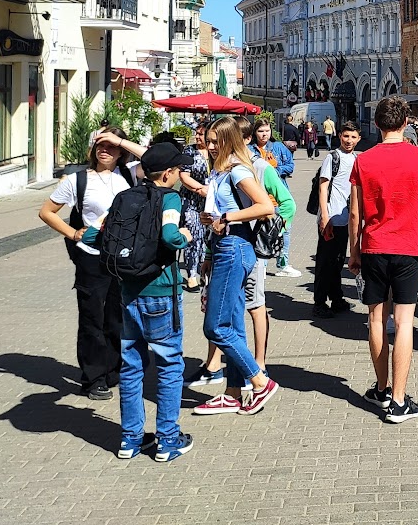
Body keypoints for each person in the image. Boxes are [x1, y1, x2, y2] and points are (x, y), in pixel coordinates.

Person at [80, 142, 193, 462]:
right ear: (167, 174)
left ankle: (129, 440)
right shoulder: (170, 198)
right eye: (178, 170)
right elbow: (170, 235)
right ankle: (167, 440)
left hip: (128, 293)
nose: (179, 174)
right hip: (161, 291)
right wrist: (186, 236)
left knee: (131, 366)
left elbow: (91, 236)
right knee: (170, 365)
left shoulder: (123, 197)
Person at [348, 96, 418, 422]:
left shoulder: (363, 160)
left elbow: (355, 213)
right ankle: (399, 401)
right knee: (403, 322)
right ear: (405, 123)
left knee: (376, 320)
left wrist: (354, 251)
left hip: (374, 246)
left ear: (376, 124)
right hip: (408, 248)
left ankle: (381, 389)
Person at [39, 127, 142, 400]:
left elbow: (156, 160)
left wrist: (120, 140)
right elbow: (46, 212)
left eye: (110, 146)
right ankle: (93, 378)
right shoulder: (78, 180)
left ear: (120, 151)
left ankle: (113, 370)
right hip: (91, 257)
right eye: (99, 145)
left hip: (122, 257)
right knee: (92, 317)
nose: (104, 150)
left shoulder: (130, 174)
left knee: (117, 317)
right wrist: (73, 233)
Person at [189, 116, 280, 417]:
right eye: (208, 141)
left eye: (216, 141)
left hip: (234, 247)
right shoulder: (219, 170)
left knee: (215, 326)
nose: (210, 146)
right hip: (223, 246)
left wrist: (228, 218)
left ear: (230, 141)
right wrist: (211, 226)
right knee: (233, 325)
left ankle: (260, 381)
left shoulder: (237, 169)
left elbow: (265, 206)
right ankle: (232, 393)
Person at [315, 120, 360, 317]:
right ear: (339, 136)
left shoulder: (356, 159)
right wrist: (324, 216)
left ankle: (336, 298)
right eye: (346, 136)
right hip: (331, 218)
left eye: (353, 137)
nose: (349, 140)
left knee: (338, 260)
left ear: (358, 139)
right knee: (325, 261)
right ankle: (319, 303)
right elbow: (323, 186)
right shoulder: (332, 157)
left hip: (345, 219)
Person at [249, 119, 298, 276]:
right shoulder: (250, 149)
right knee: (261, 232)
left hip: (278, 198)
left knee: (283, 231)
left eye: (267, 131)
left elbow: (290, 165)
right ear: (254, 133)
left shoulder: (278, 147)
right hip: (259, 199)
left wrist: (274, 170)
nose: (264, 134)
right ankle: (260, 264)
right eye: (261, 131)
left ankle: (283, 264)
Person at [177, 125, 211, 292]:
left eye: (201, 134)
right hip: (192, 201)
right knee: (194, 237)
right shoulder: (189, 151)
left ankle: (203, 270)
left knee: (206, 238)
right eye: (196, 133)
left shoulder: (216, 152)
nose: (197, 137)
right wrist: (201, 189)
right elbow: (184, 176)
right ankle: (191, 275)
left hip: (210, 203)